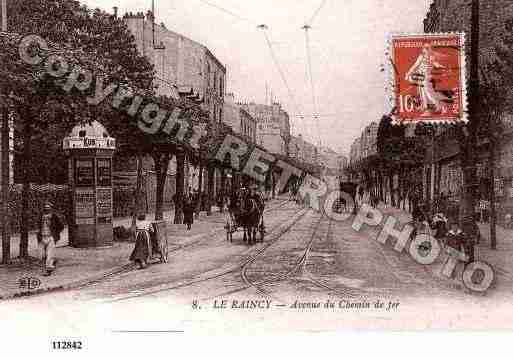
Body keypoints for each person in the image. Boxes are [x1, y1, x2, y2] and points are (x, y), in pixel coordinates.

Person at [37, 202, 64, 276]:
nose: (46, 210)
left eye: (48, 208)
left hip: (51, 237)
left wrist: (55, 233)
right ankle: (53, 263)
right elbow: (38, 226)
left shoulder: (54, 216)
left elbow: (61, 226)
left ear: (51, 209)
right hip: (42, 237)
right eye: (45, 208)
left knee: (49, 254)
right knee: (41, 255)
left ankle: (48, 270)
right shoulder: (41, 217)